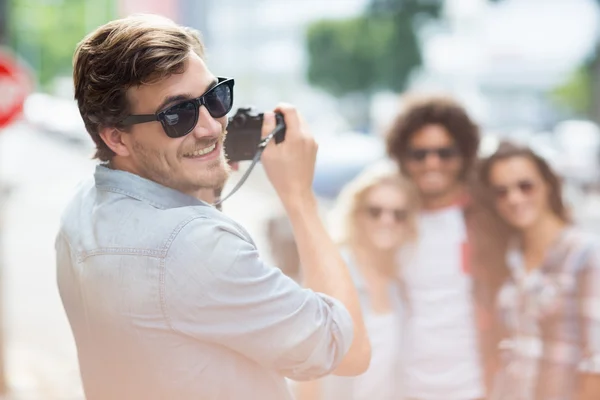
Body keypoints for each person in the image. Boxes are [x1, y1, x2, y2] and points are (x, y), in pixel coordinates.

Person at [55, 14, 370, 400]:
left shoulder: (80, 207)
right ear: (117, 138)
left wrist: (200, 175)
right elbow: (346, 352)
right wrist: (299, 198)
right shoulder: (193, 245)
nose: (210, 127)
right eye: (178, 114)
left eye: (214, 98)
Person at [385, 94, 507, 400]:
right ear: (403, 157)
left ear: (464, 155)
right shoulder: (390, 220)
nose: (432, 163)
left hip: (477, 387)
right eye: (419, 154)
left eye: (445, 152)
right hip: (404, 387)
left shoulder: (492, 220)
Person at [479, 141, 600, 400]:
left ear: (548, 185)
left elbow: (596, 362)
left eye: (525, 186)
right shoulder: (509, 257)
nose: (514, 198)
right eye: (501, 191)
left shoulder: (585, 253)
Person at [295, 163, 419, 400]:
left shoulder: (398, 280)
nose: (387, 220)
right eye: (375, 211)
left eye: (399, 214)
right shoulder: (332, 271)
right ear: (357, 214)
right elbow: (306, 365)